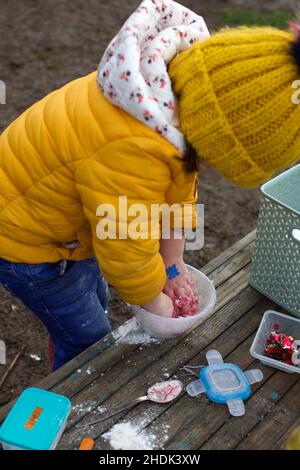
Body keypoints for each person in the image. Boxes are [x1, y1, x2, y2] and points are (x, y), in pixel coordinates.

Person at [0, 0, 299, 370]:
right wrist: (156, 303)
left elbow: (179, 184)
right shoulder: (132, 149)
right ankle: (68, 389)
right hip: (28, 243)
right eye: (212, 158)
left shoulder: (168, 102)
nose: (205, 166)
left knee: (93, 290)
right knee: (86, 336)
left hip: (73, 226)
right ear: (216, 132)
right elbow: (125, 248)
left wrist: (171, 263)